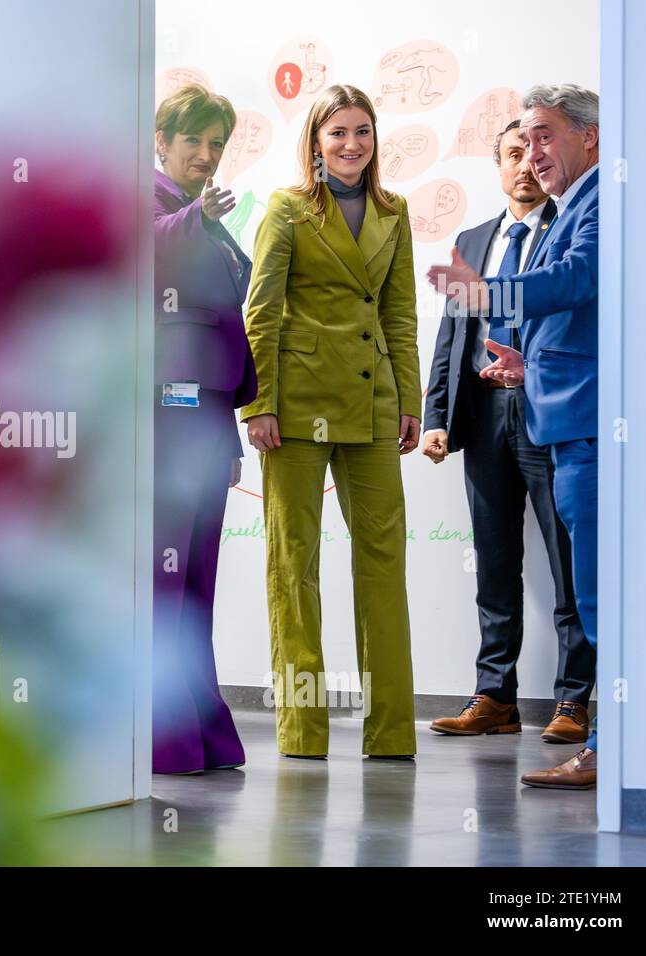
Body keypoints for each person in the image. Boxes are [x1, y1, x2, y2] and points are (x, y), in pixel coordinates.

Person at [428, 84, 600, 790]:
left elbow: (576, 279)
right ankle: (504, 702)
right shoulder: (543, 215)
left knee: (586, 586)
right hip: (515, 409)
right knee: (522, 570)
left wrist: (491, 296)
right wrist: (526, 363)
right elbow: (453, 341)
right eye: (521, 144)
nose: (533, 156)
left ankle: (591, 725)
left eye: (545, 137)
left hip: (579, 424)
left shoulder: (601, 201)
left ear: (589, 136)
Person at [242, 84, 421, 759]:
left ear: (375, 141)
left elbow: (399, 315)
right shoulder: (287, 210)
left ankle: (391, 731)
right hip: (294, 406)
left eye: (363, 132)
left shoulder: (394, 210)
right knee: (295, 563)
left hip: (374, 402)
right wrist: (257, 403)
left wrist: (410, 402)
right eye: (338, 132)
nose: (351, 144)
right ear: (315, 141)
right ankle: (302, 728)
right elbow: (261, 311)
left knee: (384, 561)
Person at [151, 84, 257, 774]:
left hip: (209, 413)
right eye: (193, 140)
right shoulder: (152, 202)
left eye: (216, 143)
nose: (206, 155)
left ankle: (199, 726)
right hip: (167, 412)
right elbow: (147, 251)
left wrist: (234, 432)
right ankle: (163, 735)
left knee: (196, 581)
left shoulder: (205, 219)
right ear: (163, 141)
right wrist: (193, 217)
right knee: (166, 578)